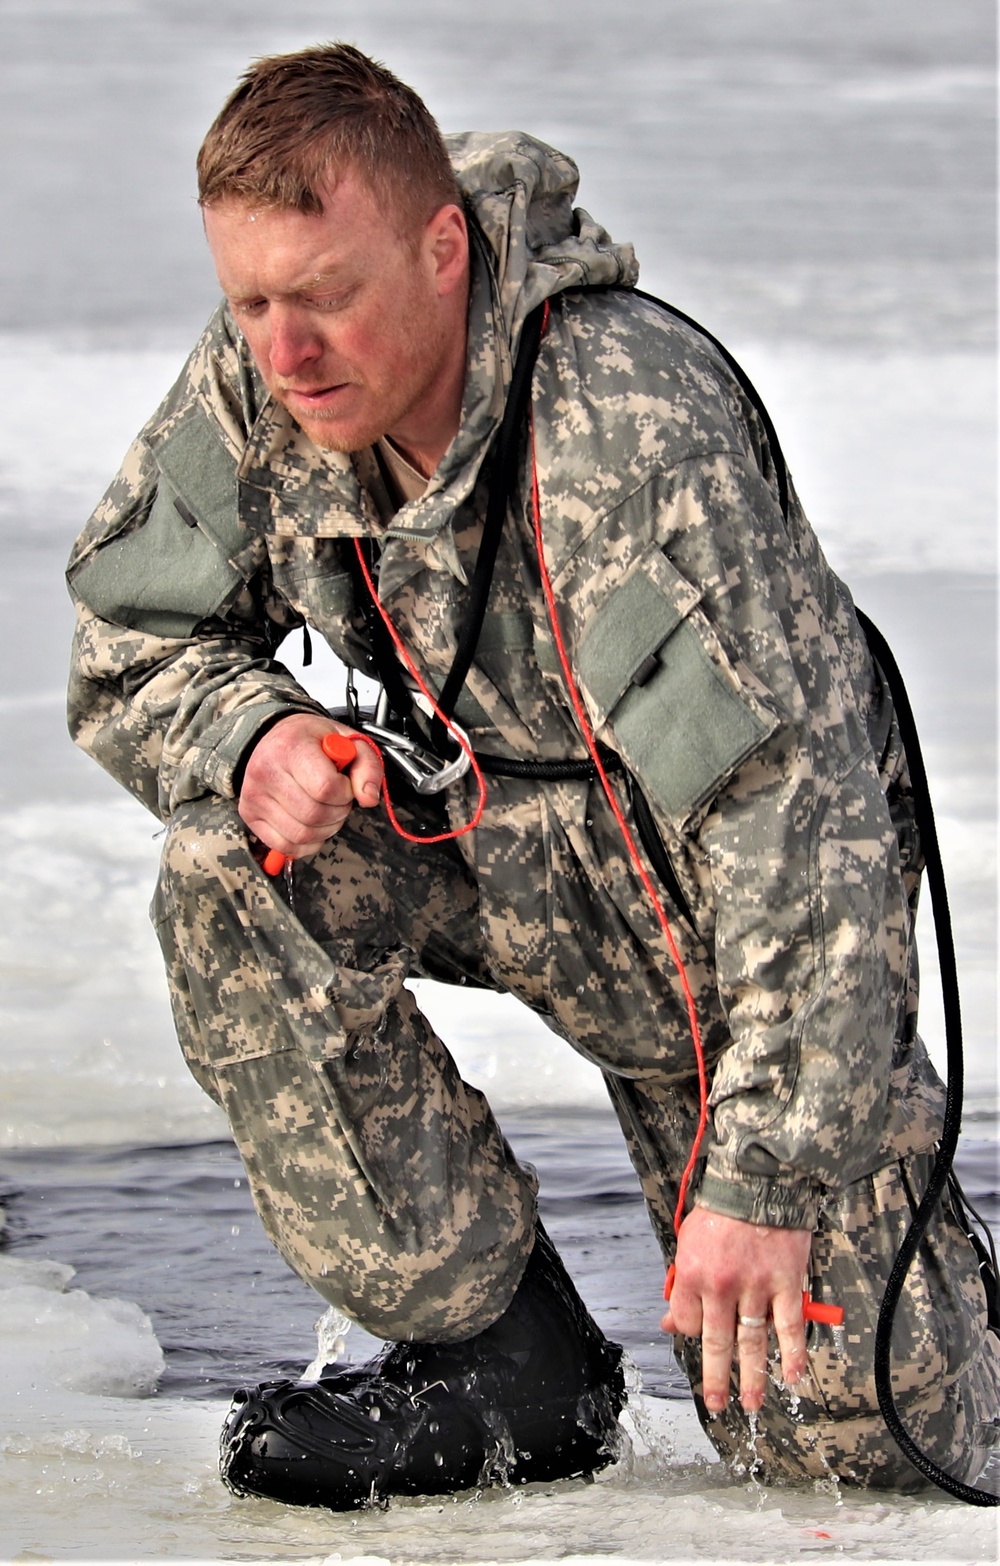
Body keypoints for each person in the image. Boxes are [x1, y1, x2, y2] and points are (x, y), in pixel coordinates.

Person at [66, 43, 999, 1508]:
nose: (285, 347)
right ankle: (499, 1348)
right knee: (228, 871)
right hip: (484, 852)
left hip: (723, 941)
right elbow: (127, 634)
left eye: (325, 296)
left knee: (862, 1460)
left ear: (446, 250)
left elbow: (804, 839)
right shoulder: (263, 386)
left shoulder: (631, 433)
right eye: (251, 300)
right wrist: (249, 737)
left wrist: (761, 1179)